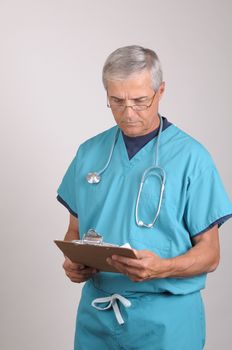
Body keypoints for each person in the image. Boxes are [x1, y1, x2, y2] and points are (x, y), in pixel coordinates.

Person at [56, 45, 232, 350]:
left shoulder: (192, 158)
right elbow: (75, 231)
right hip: (97, 318)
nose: (128, 113)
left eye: (140, 101)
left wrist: (162, 267)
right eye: (117, 101)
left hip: (166, 321)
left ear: (160, 91)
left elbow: (210, 254)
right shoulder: (89, 154)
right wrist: (75, 261)